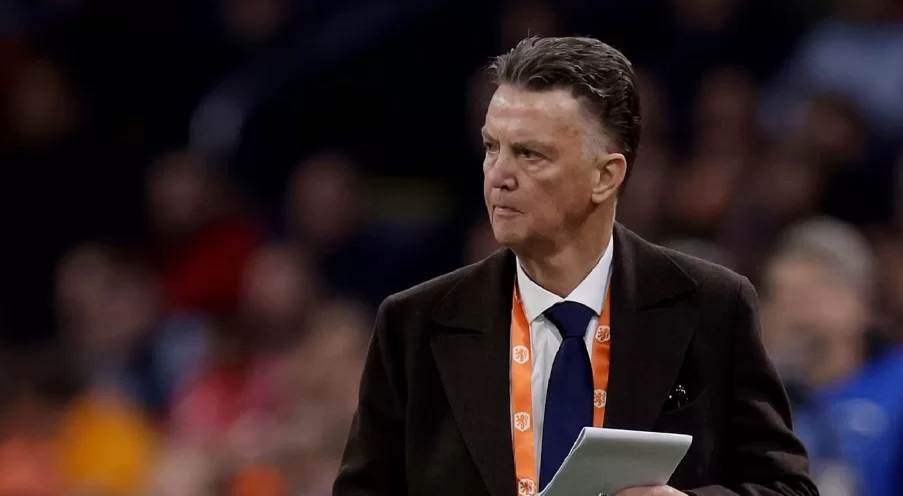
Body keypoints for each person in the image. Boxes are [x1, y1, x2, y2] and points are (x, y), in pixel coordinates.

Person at [333, 36, 817, 496]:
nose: (498, 175)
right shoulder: (414, 324)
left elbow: (787, 487)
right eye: (491, 148)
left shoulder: (713, 307)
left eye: (529, 154)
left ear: (605, 176)